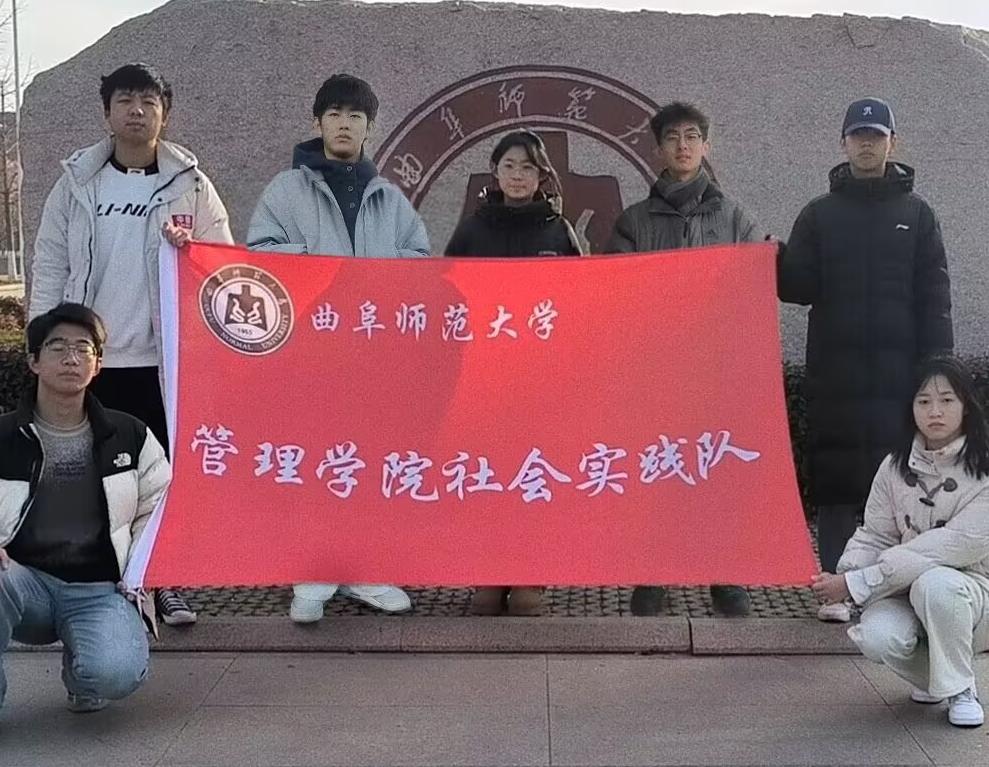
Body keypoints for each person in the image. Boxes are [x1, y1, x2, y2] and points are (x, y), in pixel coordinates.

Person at [31, 62, 234, 626]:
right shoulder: (78, 183)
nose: (136, 111)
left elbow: (222, 267)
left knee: (162, 478)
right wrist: (45, 340)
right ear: (107, 112)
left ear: (164, 113)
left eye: (148, 101)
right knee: (93, 477)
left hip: (163, 362)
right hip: (92, 362)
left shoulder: (191, 185)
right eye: (124, 100)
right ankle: (107, 584)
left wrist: (189, 251)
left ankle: (164, 580)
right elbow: (50, 261)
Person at [247, 73, 428, 623]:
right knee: (315, 458)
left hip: (373, 357)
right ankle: (312, 574)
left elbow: (420, 262)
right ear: (317, 123)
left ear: (369, 128)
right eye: (334, 115)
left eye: (355, 116)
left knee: (368, 460)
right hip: (310, 351)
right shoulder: (285, 191)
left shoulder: (388, 197)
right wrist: (320, 267)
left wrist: (379, 277)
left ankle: (366, 569)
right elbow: (260, 257)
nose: (344, 124)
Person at [779, 97, 953, 622]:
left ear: (892, 143)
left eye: (876, 136)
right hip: (835, 375)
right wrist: (774, 260)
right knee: (836, 486)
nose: (867, 144)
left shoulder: (917, 214)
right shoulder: (819, 214)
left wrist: (939, 371)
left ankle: (891, 589)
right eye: (858, 136)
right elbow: (797, 288)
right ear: (844, 143)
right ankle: (836, 590)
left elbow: (935, 296)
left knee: (900, 487)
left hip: (901, 378)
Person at [607, 101, 764, 617]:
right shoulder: (634, 221)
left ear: (706, 146)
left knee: (718, 468)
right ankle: (656, 572)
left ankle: (725, 573)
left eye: (692, 136)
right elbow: (615, 292)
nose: (682, 145)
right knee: (659, 468)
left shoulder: (734, 216)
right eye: (672, 137)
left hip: (717, 366)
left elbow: (755, 283)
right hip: (656, 368)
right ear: (658, 149)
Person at [0, 303, 171, 712]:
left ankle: (82, 673)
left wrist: (138, 571)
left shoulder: (129, 434)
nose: (71, 358)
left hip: (99, 588)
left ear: (98, 365)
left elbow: (159, 508)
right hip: (19, 582)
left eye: (83, 348)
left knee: (115, 673)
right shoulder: (4, 435)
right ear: (34, 361)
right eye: (57, 347)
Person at [444, 130, 583, 615]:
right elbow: (444, 295)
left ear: (541, 175)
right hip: (481, 377)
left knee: (532, 476)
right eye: (509, 166)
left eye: (527, 167)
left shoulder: (559, 231)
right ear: (495, 172)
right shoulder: (471, 231)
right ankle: (487, 574)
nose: (518, 175)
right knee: (486, 474)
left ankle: (529, 577)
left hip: (540, 381)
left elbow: (580, 300)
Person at [813, 356, 989, 728]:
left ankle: (961, 688)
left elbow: (953, 544)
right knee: (876, 637)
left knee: (936, 584)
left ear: (966, 406)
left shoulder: (984, 470)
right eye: (923, 401)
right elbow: (875, 534)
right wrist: (844, 575)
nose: (935, 411)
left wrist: (859, 582)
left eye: (947, 400)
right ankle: (935, 679)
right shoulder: (895, 466)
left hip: (973, 592)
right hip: (903, 589)